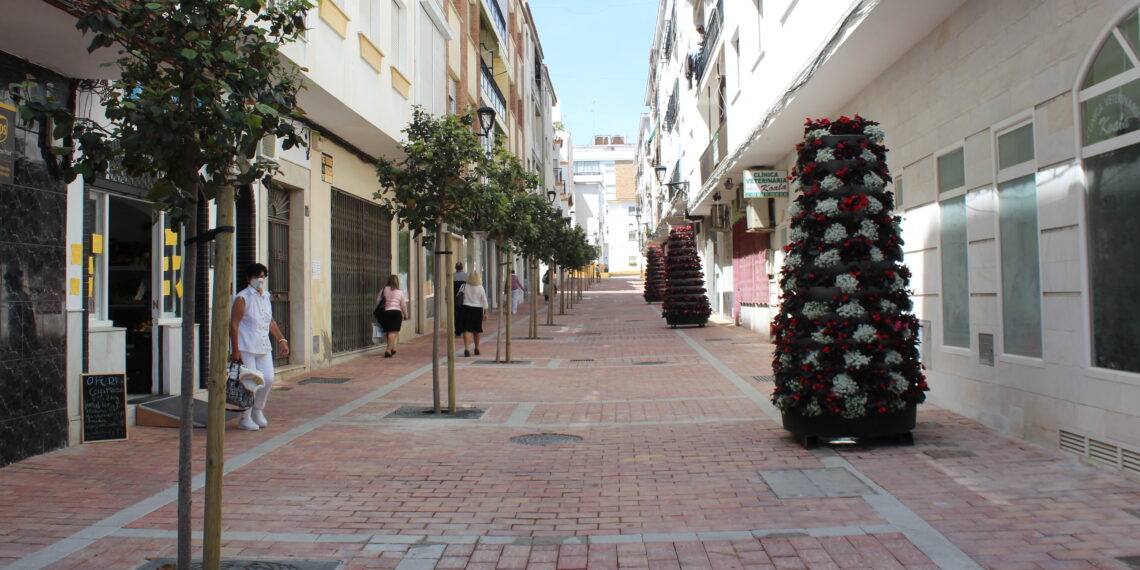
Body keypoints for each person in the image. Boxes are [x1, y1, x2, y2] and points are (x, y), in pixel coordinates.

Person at [229, 263, 289, 431]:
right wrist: (235, 350)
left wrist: (281, 339)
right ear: (248, 279)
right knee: (250, 381)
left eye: (262, 276)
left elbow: (269, 320)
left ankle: (258, 409)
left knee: (268, 378)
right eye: (256, 276)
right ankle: (245, 417)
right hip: (246, 346)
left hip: (263, 345)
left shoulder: (265, 297)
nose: (260, 280)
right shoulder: (243, 298)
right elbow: (234, 324)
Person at [376, 275, 409, 358]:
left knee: (388, 331)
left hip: (385, 313)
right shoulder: (400, 292)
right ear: (397, 282)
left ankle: (392, 348)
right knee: (393, 332)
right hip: (396, 313)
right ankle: (388, 350)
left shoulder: (383, 290)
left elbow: (377, 301)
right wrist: (406, 314)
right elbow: (403, 305)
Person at [459, 270, 488, 357]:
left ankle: (467, 349)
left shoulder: (464, 286)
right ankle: (477, 348)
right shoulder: (480, 287)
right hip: (477, 309)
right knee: (476, 330)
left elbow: (459, 296)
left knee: (467, 329)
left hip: (466, 308)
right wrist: (485, 313)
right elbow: (484, 300)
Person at [452, 262, 468, 336]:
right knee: (463, 314)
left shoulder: (452, 276)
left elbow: (448, 288)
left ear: (456, 268)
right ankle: (462, 329)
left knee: (456, 315)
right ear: (462, 267)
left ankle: (457, 331)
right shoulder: (466, 276)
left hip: (454, 299)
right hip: (464, 298)